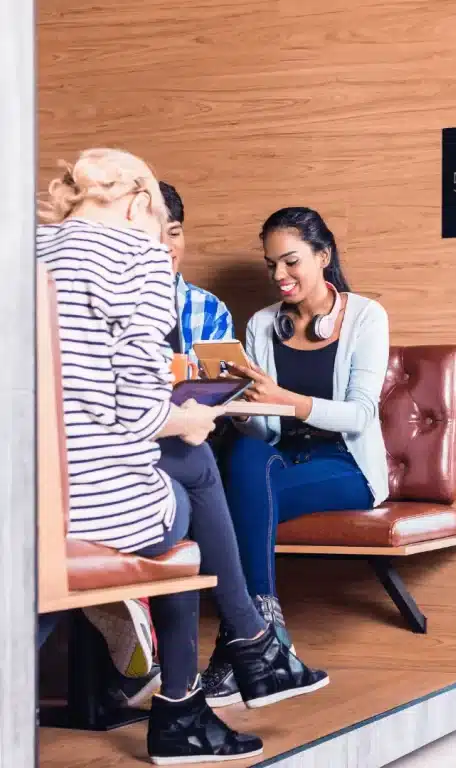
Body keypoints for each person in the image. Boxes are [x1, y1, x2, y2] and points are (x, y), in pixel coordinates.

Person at [37, 149, 328, 764]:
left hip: (30, 500)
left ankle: (223, 670)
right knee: (192, 470)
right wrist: (191, 418)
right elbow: (142, 409)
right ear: (142, 203)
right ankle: (236, 658)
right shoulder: (136, 260)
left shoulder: (29, 249)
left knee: (180, 474)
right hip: (95, 508)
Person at [201, 207, 389, 707]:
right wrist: (239, 406)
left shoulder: (367, 316)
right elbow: (266, 430)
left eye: (290, 262)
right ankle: (265, 650)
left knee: (239, 501)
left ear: (323, 256)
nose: (279, 276)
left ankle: (244, 648)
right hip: (282, 459)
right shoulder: (263, 325)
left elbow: (360, 416)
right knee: (244, 450)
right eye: (270, 266)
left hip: (346, 465)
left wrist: (285, 397)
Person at [159, 181, 234, 362]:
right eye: (154, 235)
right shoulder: (107, 305)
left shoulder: (211, 309)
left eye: (174, 233)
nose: (166, 247)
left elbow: (223, 386)